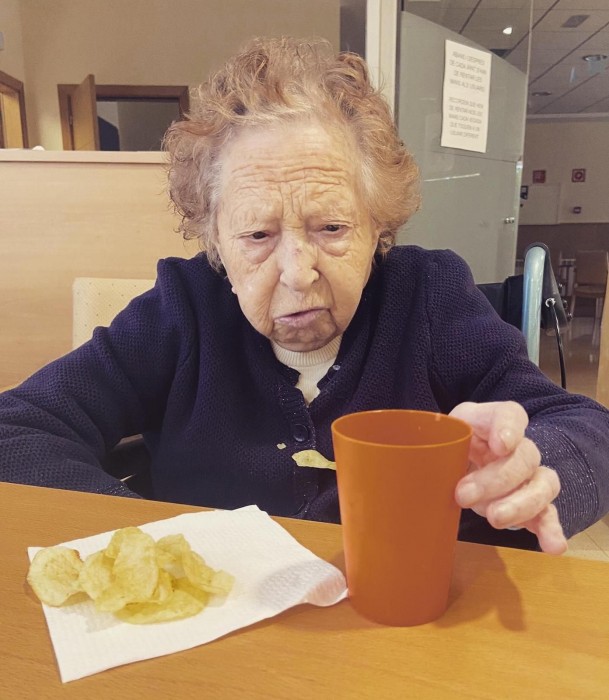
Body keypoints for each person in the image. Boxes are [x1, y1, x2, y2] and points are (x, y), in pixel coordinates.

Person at [1, 37, 608, 555]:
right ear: (215, 241)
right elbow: (16, 429)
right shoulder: (181, 311)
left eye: (332, 228)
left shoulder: (429, 297)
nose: (298, 274)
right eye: (257, 236)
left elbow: (589, 430)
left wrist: (534, 465)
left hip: (406, 625)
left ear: (378, 227)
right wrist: (149, 545)